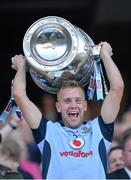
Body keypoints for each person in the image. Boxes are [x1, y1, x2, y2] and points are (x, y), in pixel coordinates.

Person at [11, 41, 124, 179]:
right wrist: (21, 66)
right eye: (67, 101)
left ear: (85, 106)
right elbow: (19, 94)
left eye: (78, 100)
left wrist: (105, 55)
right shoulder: (48, 131)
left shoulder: (100, 129)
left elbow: (117, 88)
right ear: (58, 106)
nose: (73, 105)